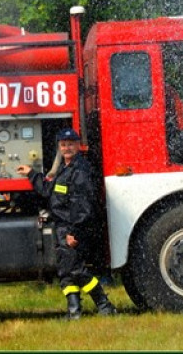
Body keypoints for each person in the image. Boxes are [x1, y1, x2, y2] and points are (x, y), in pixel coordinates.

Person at [16, 128, 116, 319]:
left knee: (77, 270)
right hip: (62, 227)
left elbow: (84, 206)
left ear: (78, 146)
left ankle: (105, 305)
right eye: (63, 145)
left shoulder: (80, 171)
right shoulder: (65, 168)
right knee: (66, 271)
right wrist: (32, 174)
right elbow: (48, 191)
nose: (67, 148)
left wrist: (74, 233)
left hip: (72, 228)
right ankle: (74, 312)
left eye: (70, 144)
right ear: (59, 147)